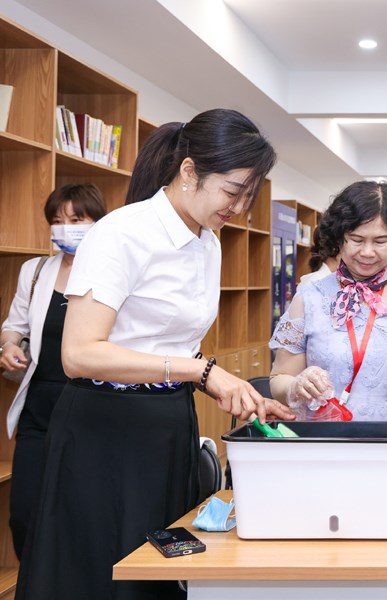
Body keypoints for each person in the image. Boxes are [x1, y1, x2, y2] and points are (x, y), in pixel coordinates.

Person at [15, 109, 294, 600]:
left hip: (168, 425)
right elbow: (79, 354)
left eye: (249, 196)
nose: (240, 208)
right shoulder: (123, 233)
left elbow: (174, 344)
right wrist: (199, 370)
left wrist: (231, 386)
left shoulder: (208, 243)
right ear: (190, 172)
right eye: (233, 192)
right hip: (105, 430)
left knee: (158, 575)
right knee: (99, 575)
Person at [269, 180, 387, 421]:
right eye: (356, 239)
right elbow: (279, 379)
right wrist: (295, 387)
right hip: (327, 445)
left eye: (380, 241)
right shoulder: (310, 297)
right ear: (339, 237)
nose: (367, 252)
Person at [0, 184, 106, 559]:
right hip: (40, 404)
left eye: (77, 219)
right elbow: (14, 325)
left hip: (92, 405)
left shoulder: (112, 272)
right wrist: (10, 345)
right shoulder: (35, 270)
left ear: (98, 222)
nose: (65, 228)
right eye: (57, 221)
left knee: (78, 513)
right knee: (25, 514)